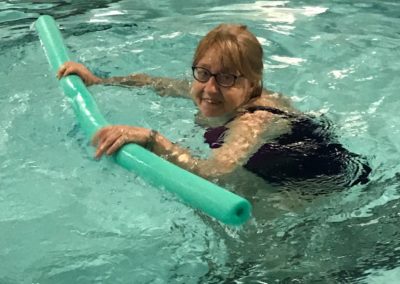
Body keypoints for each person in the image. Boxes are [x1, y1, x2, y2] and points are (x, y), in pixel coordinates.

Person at [57, 24, 371, 192]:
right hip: (279, 174)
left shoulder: (254, 120)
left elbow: (216, 173)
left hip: (322, 188)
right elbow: (157, 83)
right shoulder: (206, 86)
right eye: (203, 73)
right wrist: (100, 81)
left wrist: (153, 139)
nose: (209, 89)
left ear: (251, 84)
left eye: (226, 78)